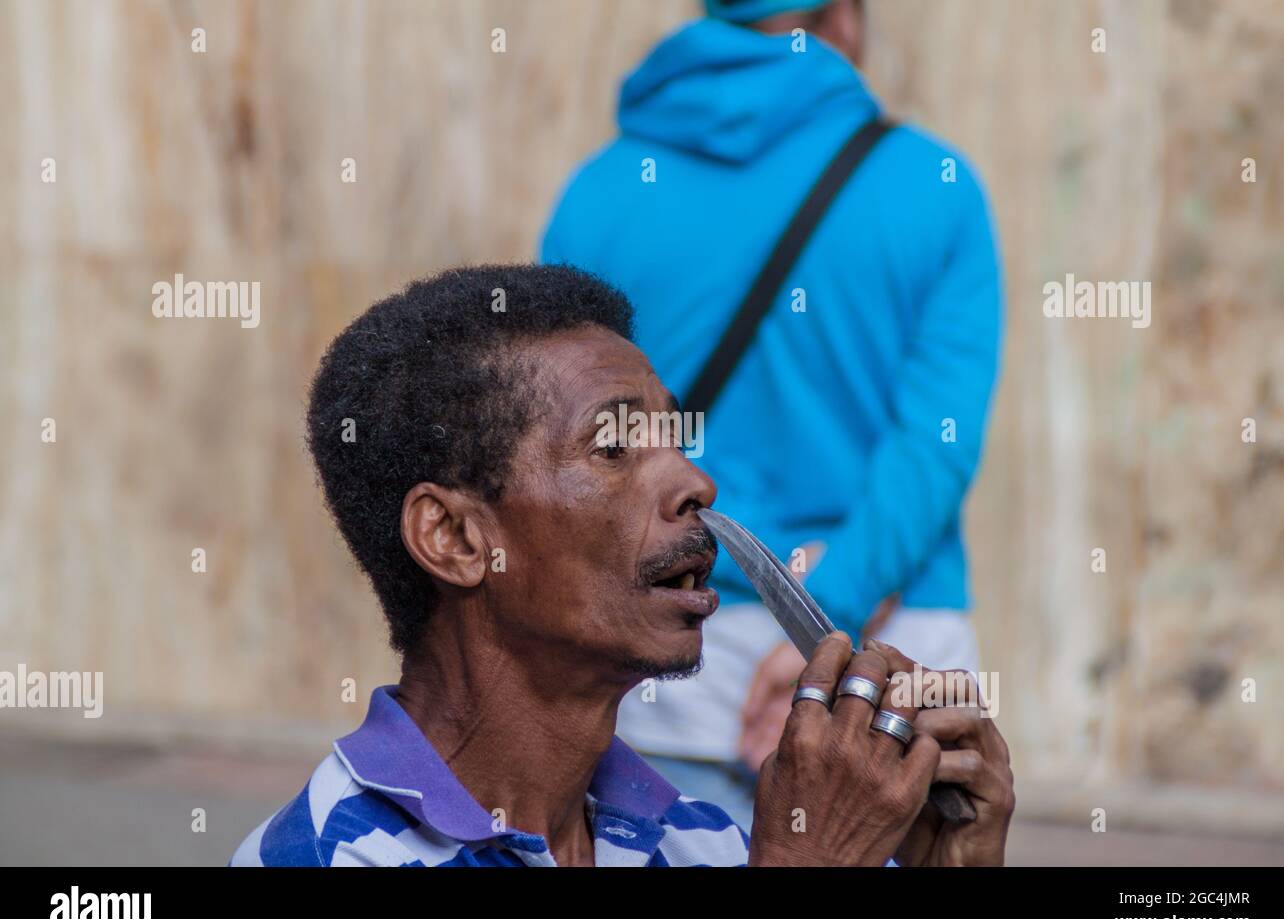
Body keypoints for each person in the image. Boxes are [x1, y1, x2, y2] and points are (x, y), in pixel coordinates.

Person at [229, 264, 1013, 867]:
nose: (695, 483)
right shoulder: (331, 852)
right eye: (613, 447)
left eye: (676, 440)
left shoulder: (692, 843)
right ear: (457, 539)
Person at [539, 0, 1003, 827]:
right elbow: (934, 449)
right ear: (842, 20)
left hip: (662, 657)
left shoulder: (600, 190)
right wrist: (828, 627)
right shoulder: (932, 185)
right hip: (887, 688)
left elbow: (565, 443)